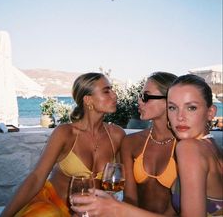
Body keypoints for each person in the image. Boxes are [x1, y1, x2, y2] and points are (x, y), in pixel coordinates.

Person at [71, 74, 223, 217]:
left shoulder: (188, 147)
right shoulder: (209, 147)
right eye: (173, 107)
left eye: (191, 108)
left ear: (211, 113)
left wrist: (115, 208)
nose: (180, 117)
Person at [0, 72, 125, 217]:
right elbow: (36, 177)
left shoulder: (116, 135)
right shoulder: (65, 133)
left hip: (91, 212)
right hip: (53, 206)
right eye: (106, 91)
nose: (114, 95)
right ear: (88, 100)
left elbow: (120, 181)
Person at [122, 72, 178, 215]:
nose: (139, 102)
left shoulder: (186, 147)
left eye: (146, 97)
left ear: (170, 101)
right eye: (140, 96)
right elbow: (129, 199)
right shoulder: (131, 142)